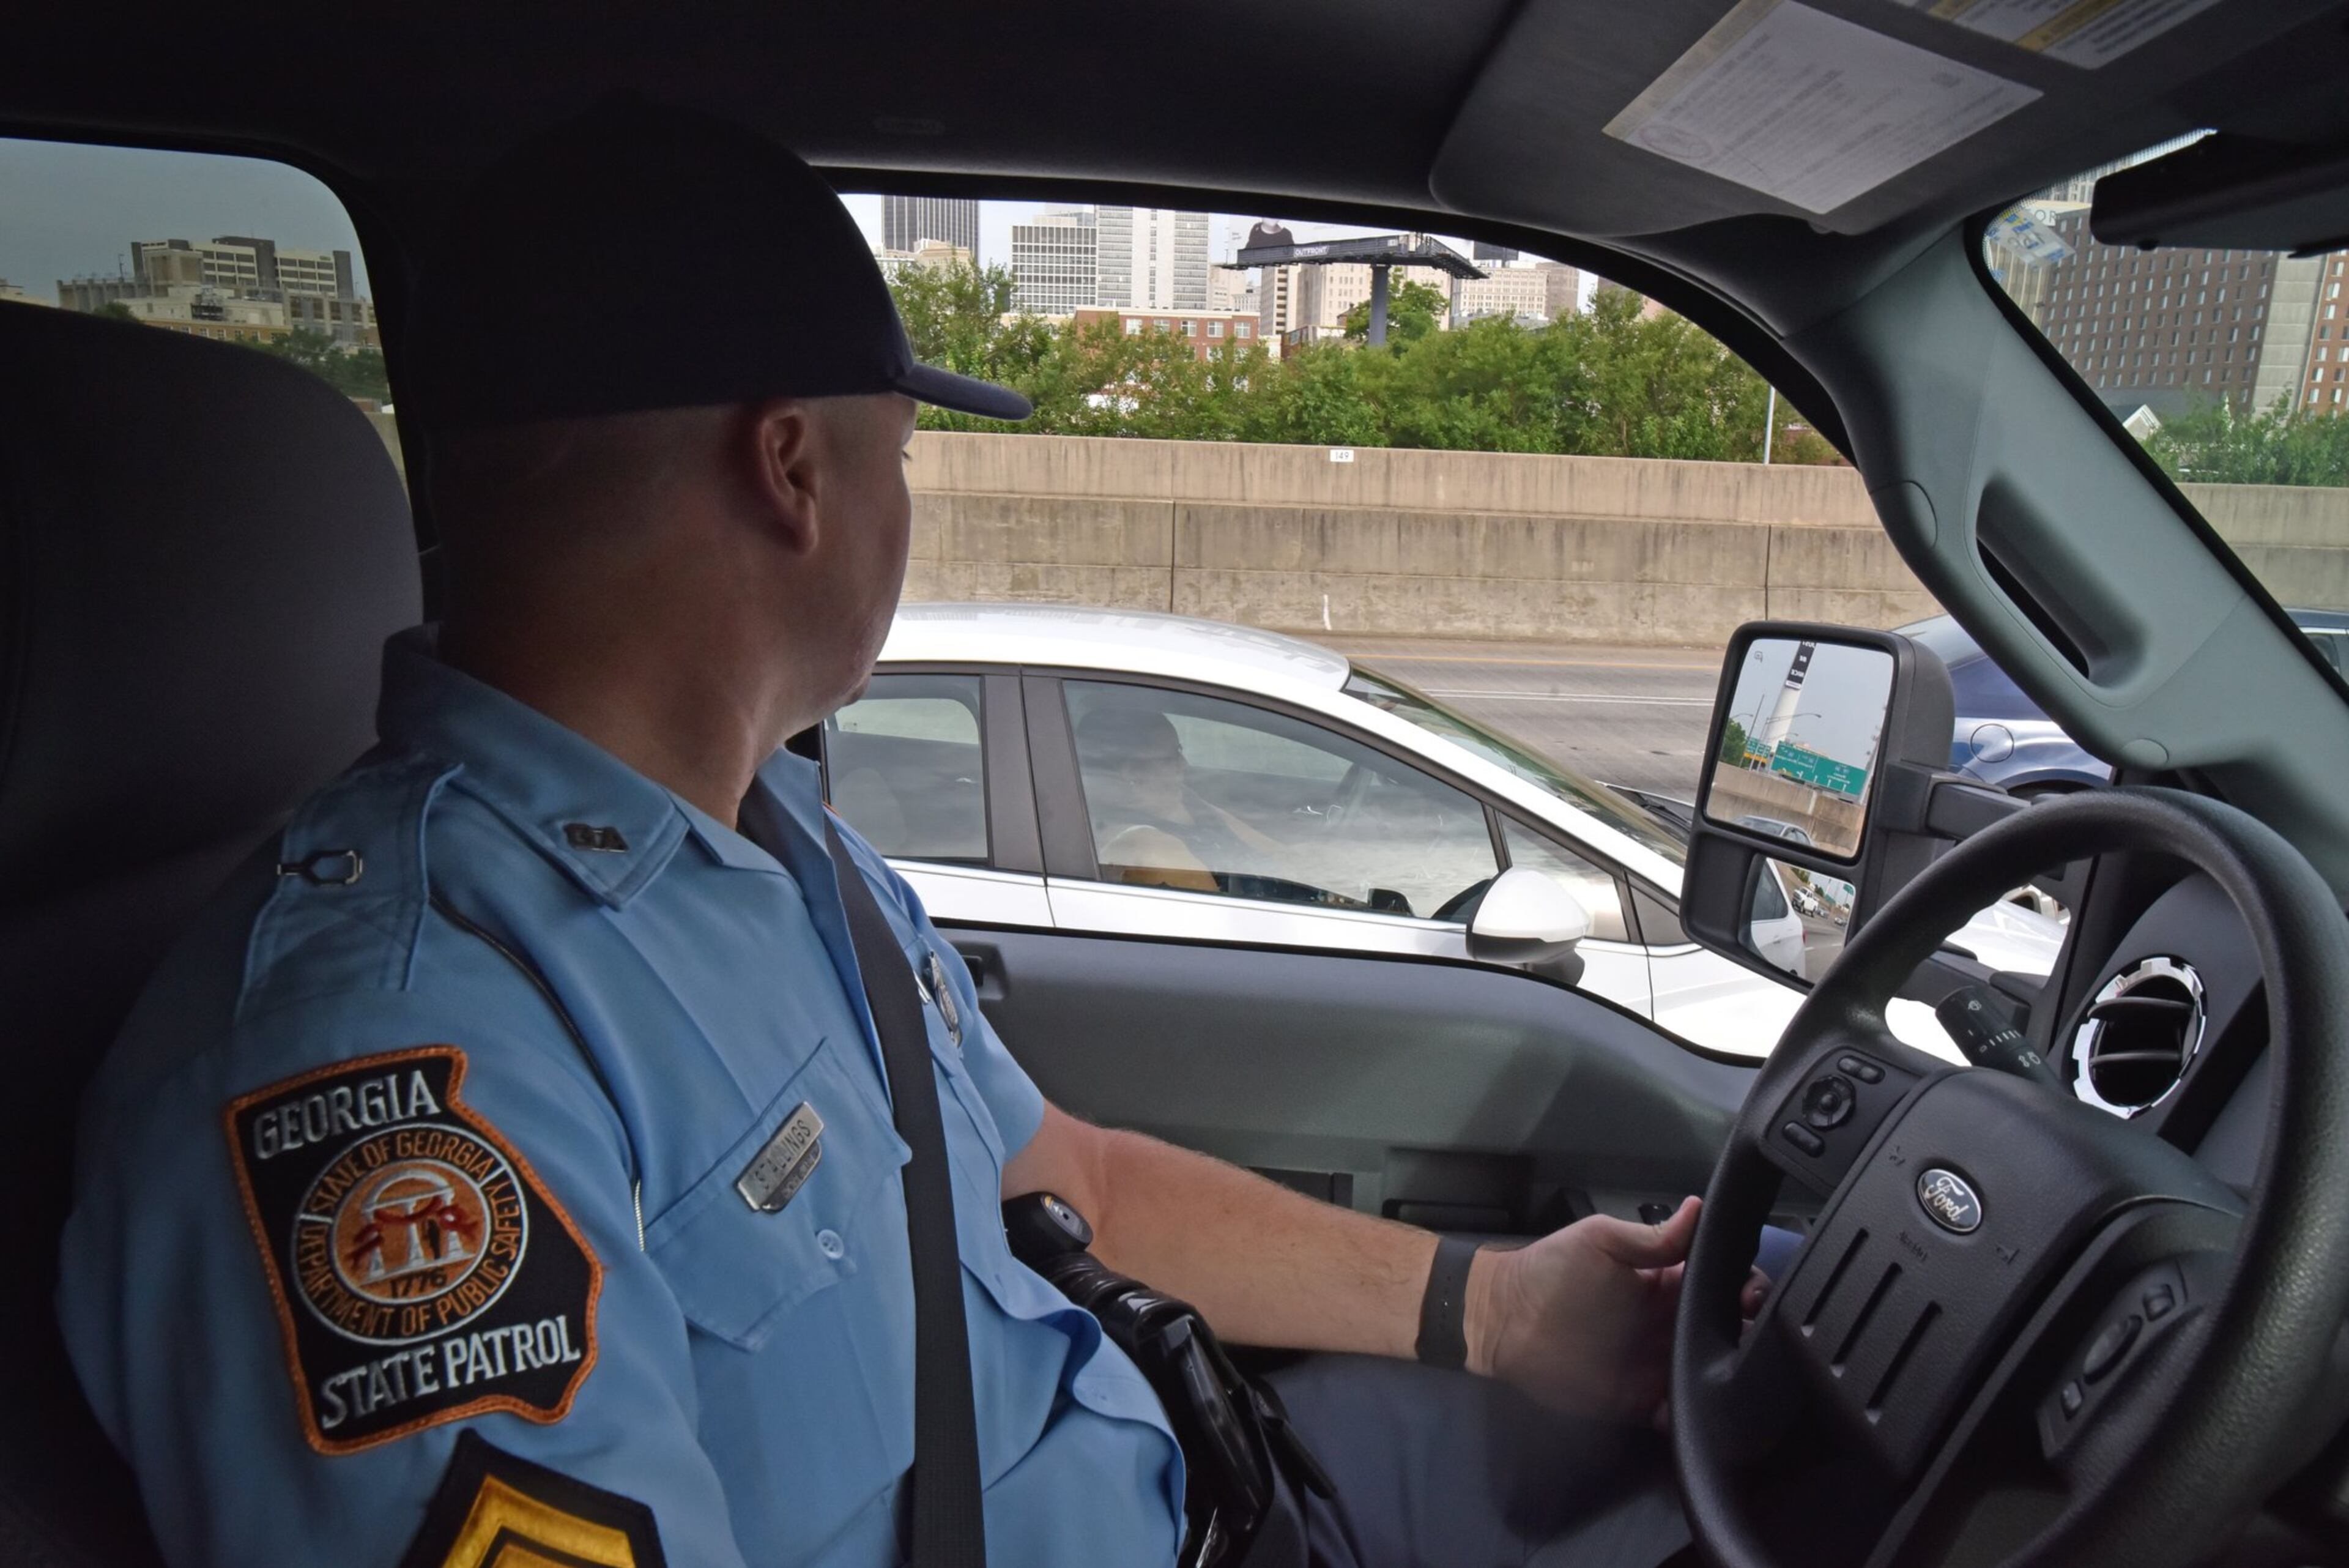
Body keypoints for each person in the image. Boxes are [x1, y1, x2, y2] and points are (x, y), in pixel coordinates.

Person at [56, 100, 1764, 1568]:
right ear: (790, 470)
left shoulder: (779, 852)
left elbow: (1063, 1183)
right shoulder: (393, 1067)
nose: (905, 508)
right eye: (902, 453)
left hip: (1210, 1489)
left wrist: (1499, 1307)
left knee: (1715, 1460)